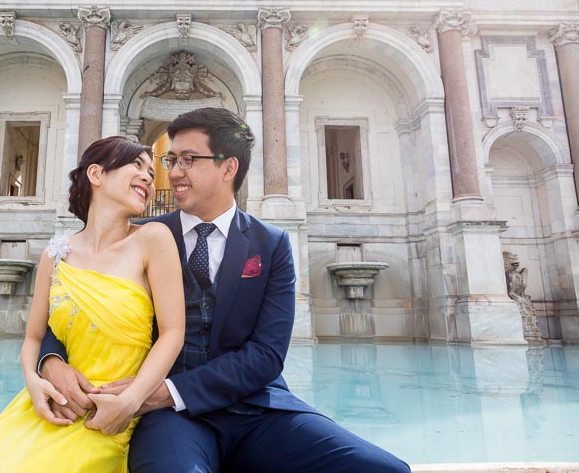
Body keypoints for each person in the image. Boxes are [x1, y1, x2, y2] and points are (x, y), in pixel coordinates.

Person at [38, 108, 411, 472]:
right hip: (168, 420)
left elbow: (266, 354)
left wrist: (167, 391)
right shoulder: (141, 236)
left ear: (228, 167)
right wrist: (51, 362)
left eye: (187, 159)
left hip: (257, 409)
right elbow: (70, 301)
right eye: (171, 160)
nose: (173, 174)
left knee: (385, 469)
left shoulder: (272, 244)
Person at [0, 137, 185, 472]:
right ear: (97, 174)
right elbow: (32, 338)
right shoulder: (56, 254)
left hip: (110, 415)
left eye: (150, 170)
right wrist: (34, 380)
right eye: (137, 166)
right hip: (50, 406)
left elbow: (173, 333)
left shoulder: (153, 239)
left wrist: (130, 403)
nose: (149, 177)